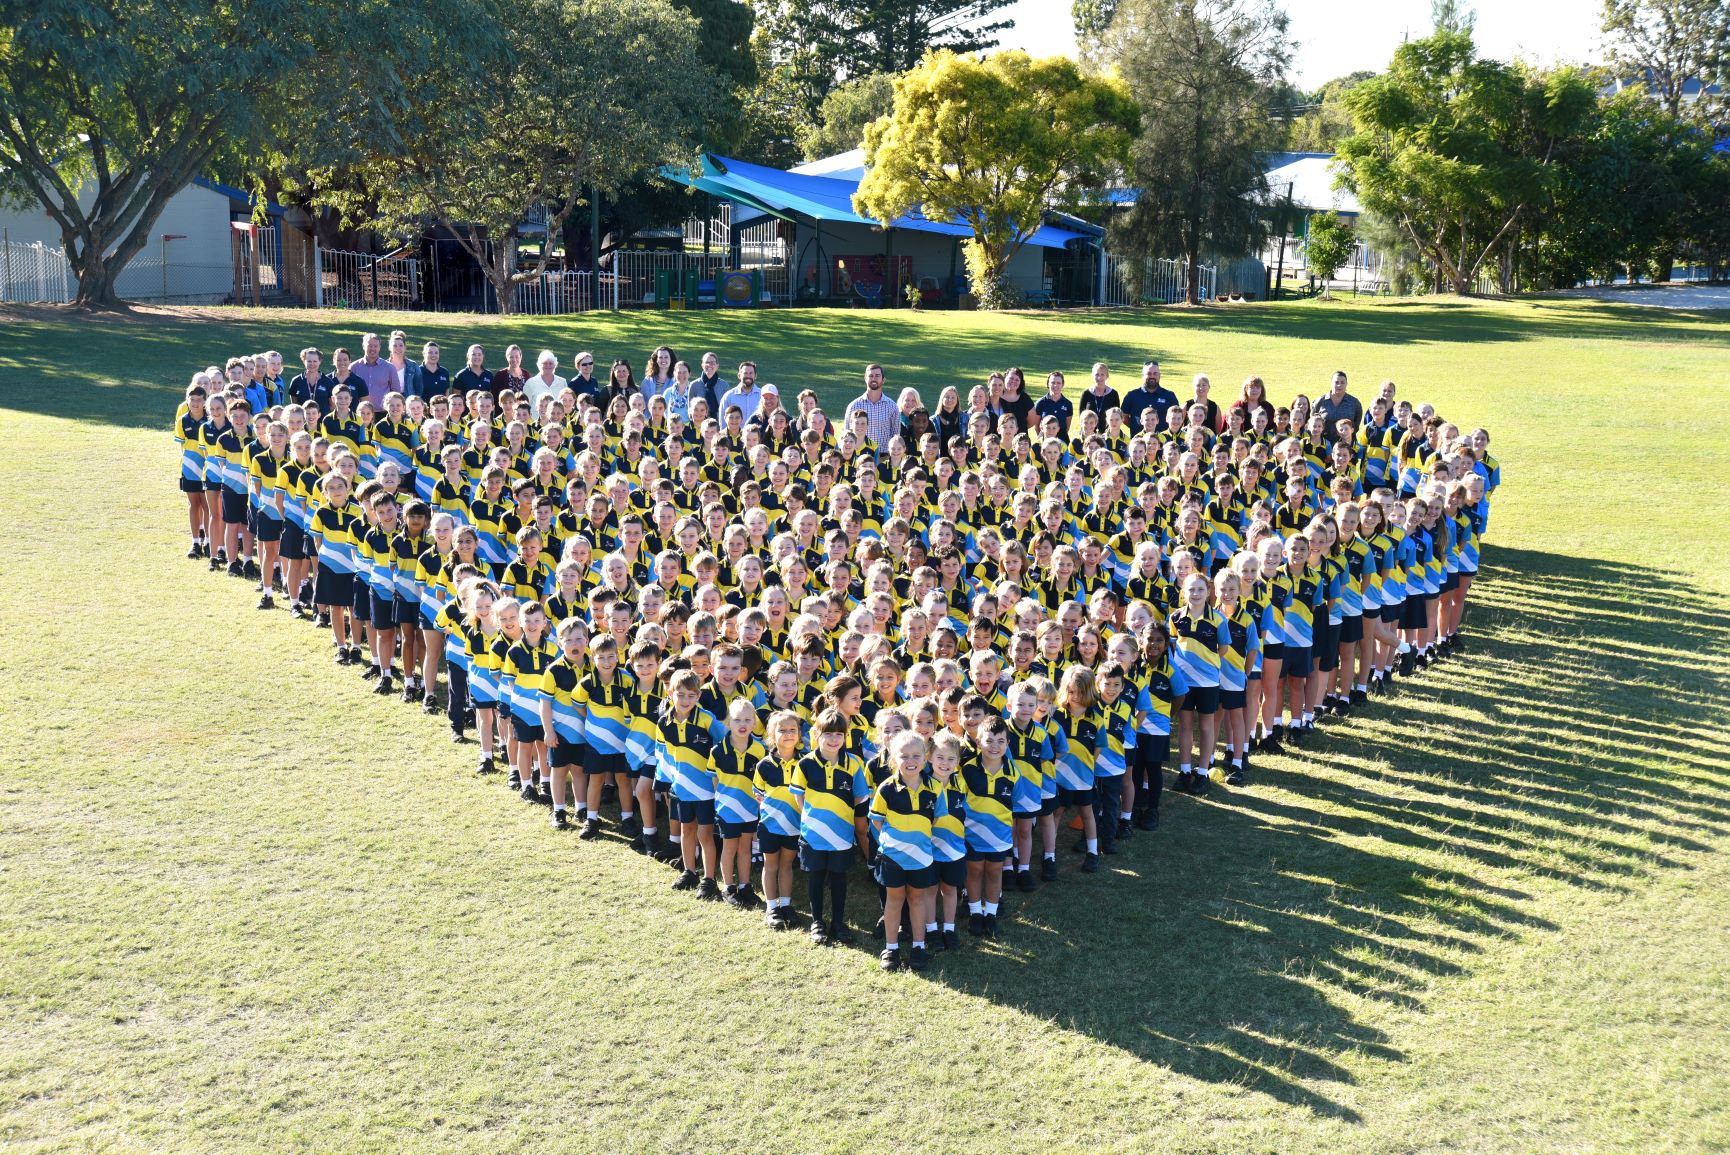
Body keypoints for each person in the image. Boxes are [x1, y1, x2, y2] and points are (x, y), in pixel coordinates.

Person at [791, 709, 866, 945]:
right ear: (816, 735)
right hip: (812, 834)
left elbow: (859, 796)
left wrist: (839, 814)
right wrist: (813, 818)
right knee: (815, 877)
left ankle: (838, 922)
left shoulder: (853, 764)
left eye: (839, 735)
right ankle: (817, 922)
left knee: (838, 878)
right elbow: (798, 795)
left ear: (845, 736)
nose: (834, 740)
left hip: (842, 835)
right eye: (828, 734)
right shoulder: (805, 764)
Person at [845, 363, 900, 449]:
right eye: (871, 376)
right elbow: (846, 433)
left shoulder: (892, 406)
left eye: (877, 376)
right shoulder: (854, 406)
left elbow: (896, 436)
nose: (874, 379)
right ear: (865, 378)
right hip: (859, 457)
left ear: (883, 379)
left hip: (884, 457)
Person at [1123, 360, 1178, 434]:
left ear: (1159, 375)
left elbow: (1177, 417)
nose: (1152, 376)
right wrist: (1135, 426)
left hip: (1163, 442)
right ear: (1142, 376)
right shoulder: (1132, 395)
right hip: (1138, 442)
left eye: (1155, 373)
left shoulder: (1169, 396)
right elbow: (1123, 417)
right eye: (1149, 373)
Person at [1314, 370, 1363, 443]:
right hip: (1324, 445)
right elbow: (1313, 422)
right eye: (1336, 382)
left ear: (1346, 384)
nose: (1339, 385)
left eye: (1342, 383)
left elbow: (1355, 426)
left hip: (1347, 447)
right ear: (1331, 383)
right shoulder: (1320, 401)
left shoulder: (1354, 403)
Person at [350, 333, 395, 408]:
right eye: (369, 346)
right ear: (364, 346)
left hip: (382, 412)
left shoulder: (389, 367)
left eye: (375, 346)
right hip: (360, 412)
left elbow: (395, 392)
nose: (373, 349)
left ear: (380, 347)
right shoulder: (353, 367)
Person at [719, 361, 763, 426]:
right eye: (745, 373)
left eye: (751, 373)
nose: (748, 376)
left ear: (755, 376)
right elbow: (722, 422)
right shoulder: (729, 396)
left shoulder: (762, 396)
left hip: (757, 435)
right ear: (739, 375)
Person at [1033, 370, 1073, 439]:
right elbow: (1036, 426)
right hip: (1045, 441)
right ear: (1048, 384)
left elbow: (1067, 427)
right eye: (1053, 382)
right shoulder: (1040, 403)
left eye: (1058, 383)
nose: (1055, 385)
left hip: (1062, 441)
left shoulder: (1068, 404)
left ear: (1062, 384)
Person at [524, 350, 565, 414]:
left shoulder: (562, 382)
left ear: (555, 365)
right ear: (539, 365)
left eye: (551, 363)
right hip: (535, 422)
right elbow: (525, 406)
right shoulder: (530, 383)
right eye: (545, 363)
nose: (548, 365)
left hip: (557, 420)